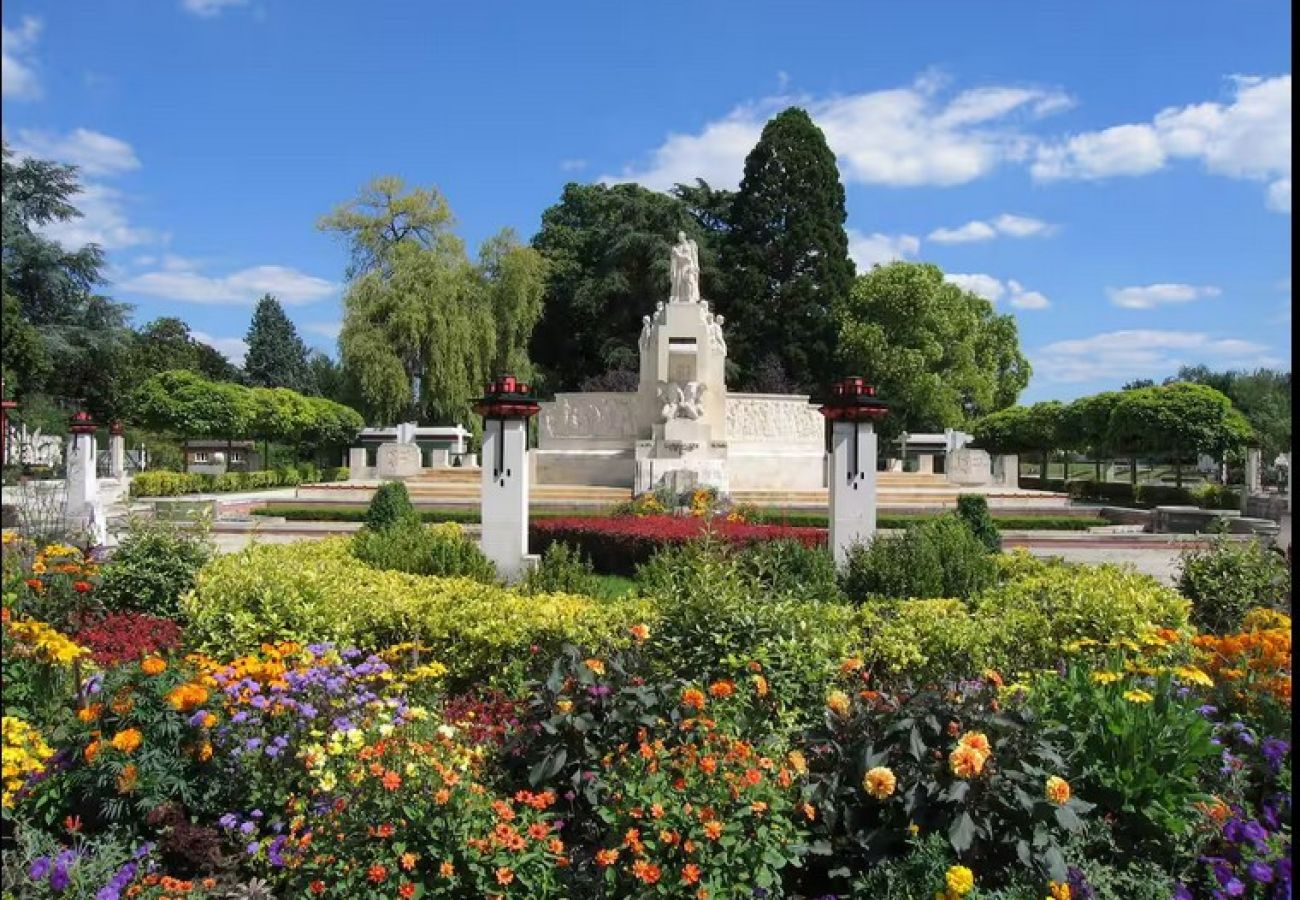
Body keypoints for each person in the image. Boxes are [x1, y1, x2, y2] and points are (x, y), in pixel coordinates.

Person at [669, 231, 700, 303]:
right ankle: (678, 297)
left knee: (688, 282)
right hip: (679, 267)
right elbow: (674, 259)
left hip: (687, 267)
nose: (679, 238)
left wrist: (695, 266)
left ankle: (689, 297)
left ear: (684, 236)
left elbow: (689, 257)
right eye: (678, 237)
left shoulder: (689, 246)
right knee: (678, 283)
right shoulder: (678, 246)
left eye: (681, 236)